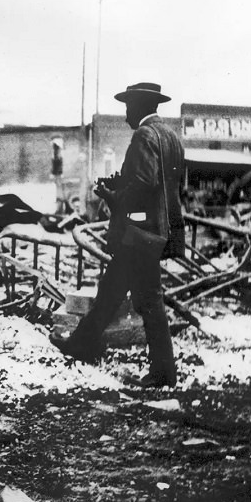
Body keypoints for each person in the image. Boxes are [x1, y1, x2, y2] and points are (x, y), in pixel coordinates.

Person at [52, 82, 185, 388]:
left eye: (128, 106)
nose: (125, 114)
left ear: (138, 106)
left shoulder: (143, 135)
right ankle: (83, 343)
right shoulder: (172, 137)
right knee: (112, 288)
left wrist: (113, 196)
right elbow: (171, 187)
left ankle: (163, 372)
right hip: (159, 231)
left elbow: (143, 184)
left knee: (148, 299)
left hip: (140, 233)